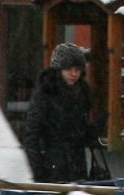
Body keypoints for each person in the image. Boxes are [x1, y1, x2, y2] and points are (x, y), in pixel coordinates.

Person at [24, 43, 102, 183]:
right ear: (58, 69)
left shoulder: (82, 94)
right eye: (68, 69)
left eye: (77, 69)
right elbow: (32, 135)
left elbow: (80, 133)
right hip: (51, 167)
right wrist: (38, 172)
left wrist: (95, 129)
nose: (74, 74)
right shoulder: (45, 94)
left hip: (76, 167)